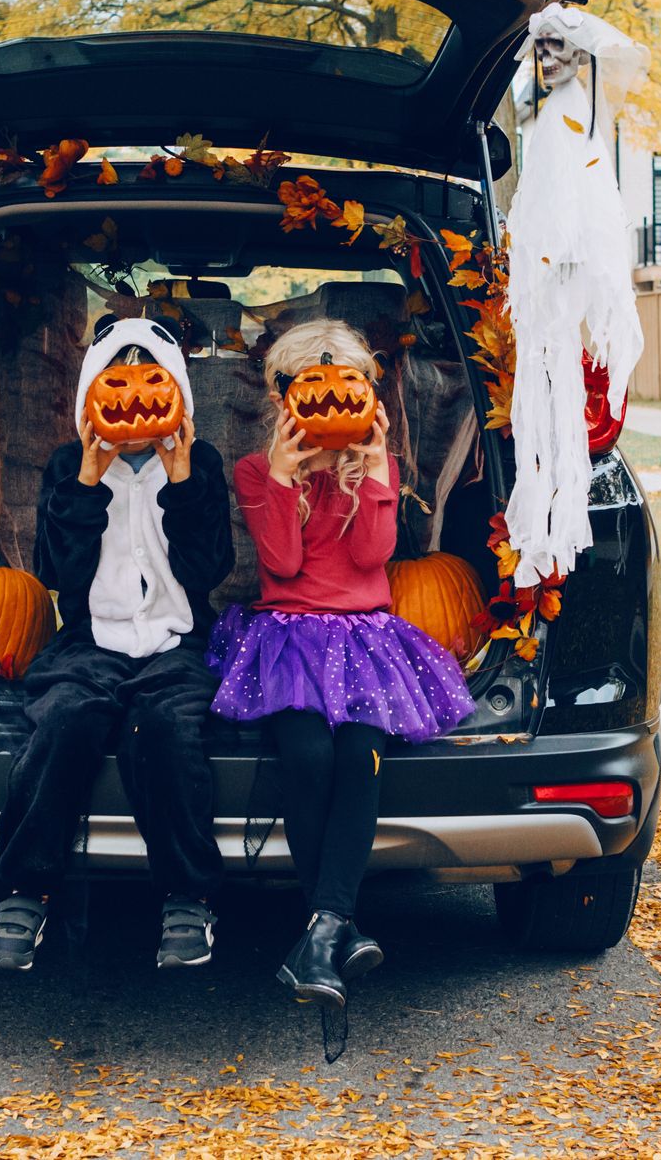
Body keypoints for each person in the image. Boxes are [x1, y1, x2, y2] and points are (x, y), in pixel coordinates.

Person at [209, 318, 474, 1009]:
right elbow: (283, 565)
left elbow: (368, 559)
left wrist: (378, 462)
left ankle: (322, 929)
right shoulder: (252, 470)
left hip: (364, 637)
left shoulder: (376, 467)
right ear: (282, 397)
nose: (331, 399)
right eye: (312, 387)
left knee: (359, 757)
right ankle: (334, 925)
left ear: (368, 393)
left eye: (346, 385)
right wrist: (283, 479)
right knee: (307, 757)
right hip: (288, 638)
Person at [0, 315, 234, 972]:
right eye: (114, 384)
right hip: (89, 643)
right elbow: (57, 574)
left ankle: (187, 896)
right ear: (90, 394)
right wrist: (87, 483)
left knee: (166, 729)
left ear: (176, 389)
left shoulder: (199, 464)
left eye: (151, 382)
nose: (133, 398)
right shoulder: (69, 468)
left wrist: (181, 480)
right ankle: (25, 890)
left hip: (176, 641)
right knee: (62, 719)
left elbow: (208, 569)